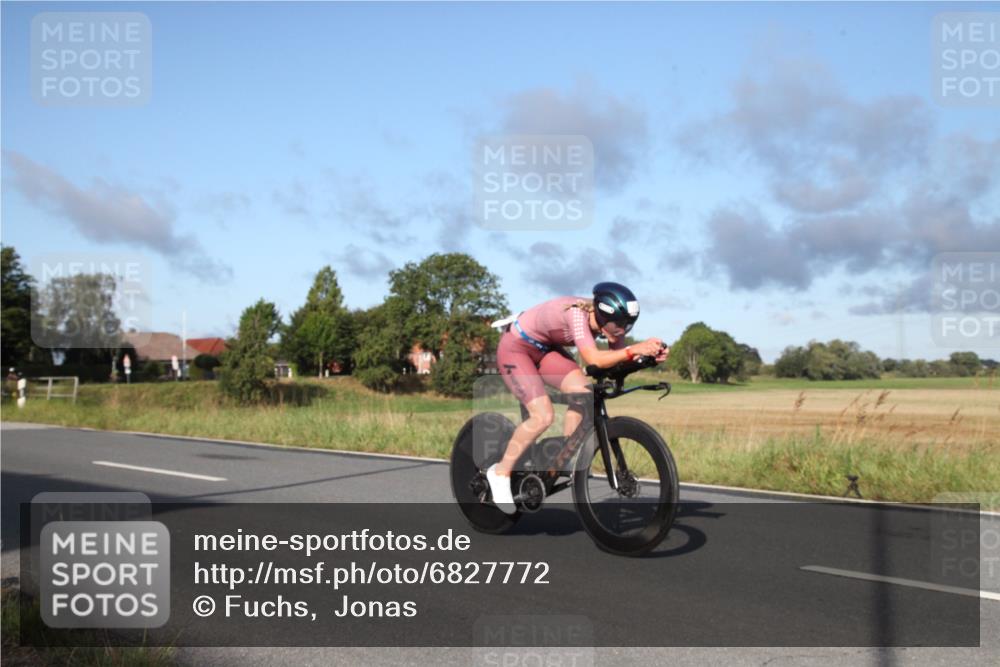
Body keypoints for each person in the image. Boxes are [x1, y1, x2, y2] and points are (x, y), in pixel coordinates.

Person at [488, 282, 669, 513]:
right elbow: (595, 359)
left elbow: (616, 361)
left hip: (545, 350)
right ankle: (500, 472)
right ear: (601, 315)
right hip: (516, 348)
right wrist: (634, 349)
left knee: (585, 394)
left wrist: (648, 357)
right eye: (617, 324)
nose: (621, 331)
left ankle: (562, 456)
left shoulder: (610, 325)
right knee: (542, 416)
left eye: (627, 325)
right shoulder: (577, 314)